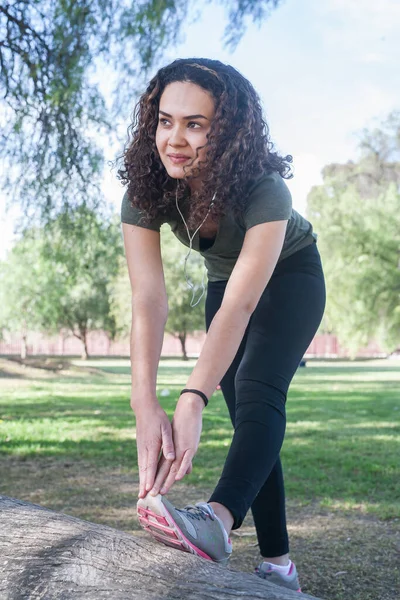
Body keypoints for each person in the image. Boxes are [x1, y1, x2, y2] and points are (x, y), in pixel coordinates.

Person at [119, 58, 326, 593]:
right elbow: (148, 298)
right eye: (165, 121)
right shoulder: (148, 191)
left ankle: (217, 521)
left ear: (228, 130)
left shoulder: (265, 190)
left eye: (195, 124)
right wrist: (145, 400)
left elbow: (241, 306)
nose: (175, 139)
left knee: (258, 391)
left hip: (291, 275)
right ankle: (280, 567)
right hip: (226, 281)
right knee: (248, 417)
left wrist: (192, 396)